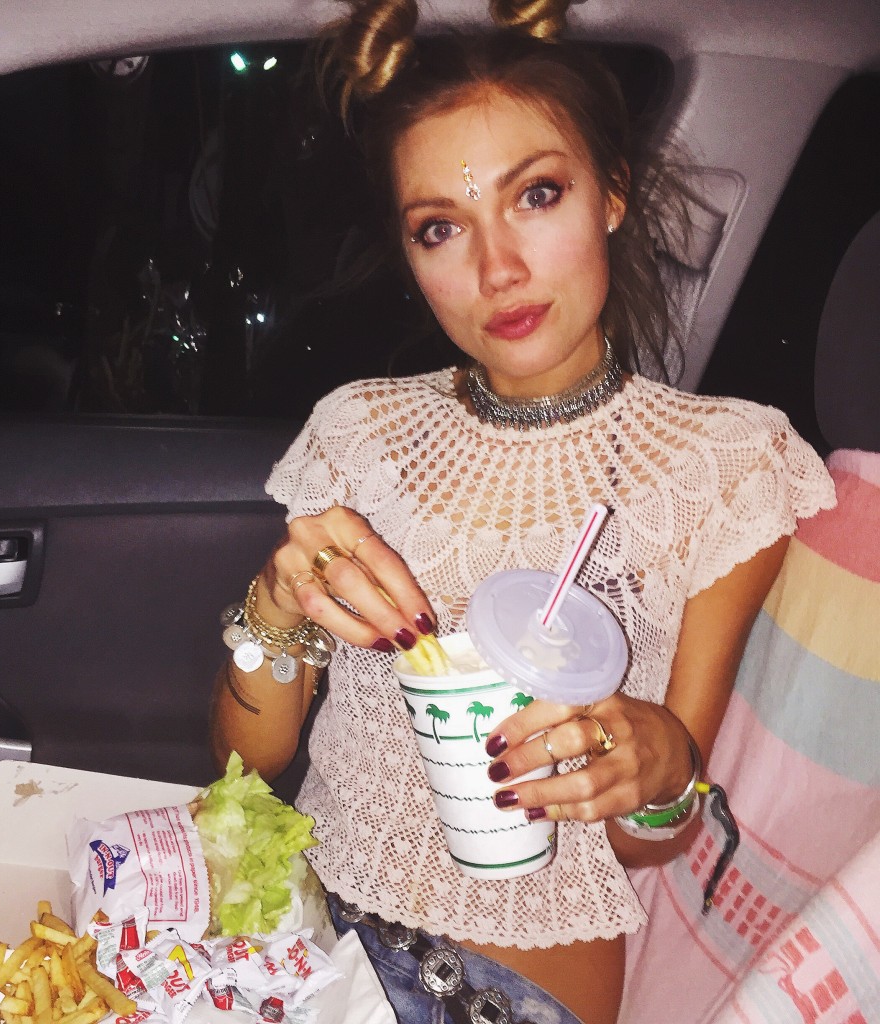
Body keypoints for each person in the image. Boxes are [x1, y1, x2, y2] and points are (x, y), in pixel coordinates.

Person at [208, 1, 837, 1021]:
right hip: (295, 932)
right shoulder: (357, 429)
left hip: (493, 986)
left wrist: (659, 762)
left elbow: (649, 832)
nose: (495, 269)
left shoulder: (725, 464)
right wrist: (274, 605)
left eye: (536, 195)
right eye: (440, 228)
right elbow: (251, 762)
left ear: (612, 193)